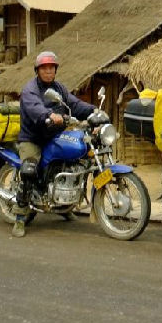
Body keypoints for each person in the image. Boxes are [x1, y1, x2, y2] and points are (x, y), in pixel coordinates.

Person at [12, 50, 96, 238]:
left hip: (53, 136)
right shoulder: (30, 89)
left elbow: (74, 104)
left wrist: (93, 111)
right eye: (44, 68)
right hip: (32, 138)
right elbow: (35, 108)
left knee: (73, 160)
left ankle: (65, 206)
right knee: (29, 170)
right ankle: (19, 216)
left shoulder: (59, 89)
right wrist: (49, 115)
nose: (48, 71)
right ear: (38, 70)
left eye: (51, 67)